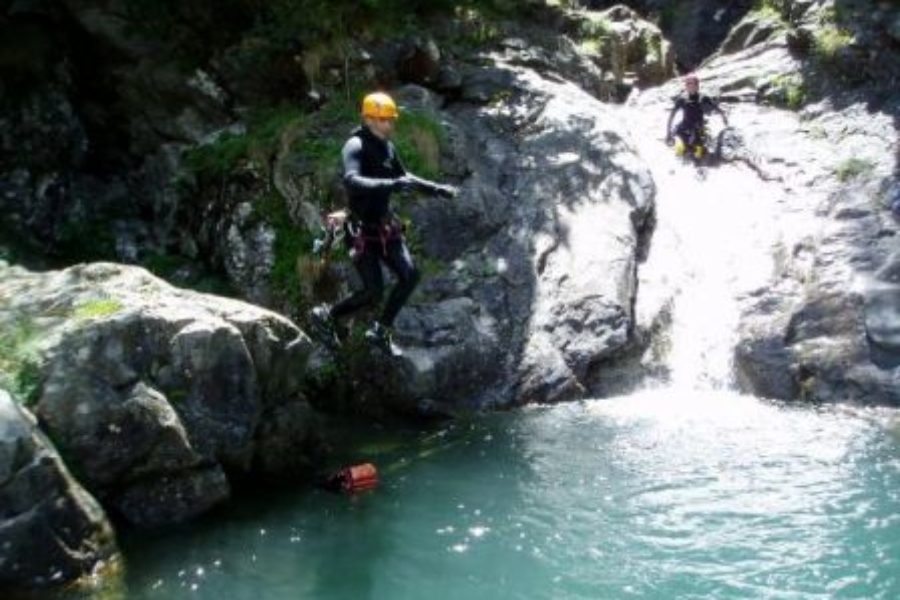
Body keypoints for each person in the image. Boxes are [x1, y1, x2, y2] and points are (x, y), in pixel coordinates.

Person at [309, 91, 457, 356]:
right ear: (368, 119)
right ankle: (327, 315)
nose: (389, 125)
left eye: (391, 120)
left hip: (385, 228)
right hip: (360, 232)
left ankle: (380, 331)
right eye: (383, 120)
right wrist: (391, 184)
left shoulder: (387, 146)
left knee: (410, 275)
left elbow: (404, 176)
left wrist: (437, 189)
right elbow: (351, 180)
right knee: (372, 292)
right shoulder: (355, 145)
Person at [665, 73, 729, 159]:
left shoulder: (703, 98)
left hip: (698, 128)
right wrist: (668, 132)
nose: (688, 85)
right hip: (684, 127)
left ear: (697, 85)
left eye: (691, 83)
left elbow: (716, 108)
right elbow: (672, 115)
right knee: (680, 151)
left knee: (698, 154)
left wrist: (724, 119)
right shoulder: (682, 99)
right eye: (687, 83)